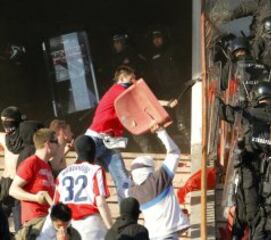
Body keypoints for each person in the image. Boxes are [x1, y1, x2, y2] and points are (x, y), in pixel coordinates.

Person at [217, 81, 271, 238]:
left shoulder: (248, 113)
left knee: (246, 213)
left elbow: (223, 112)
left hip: (248, 170)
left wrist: (217, 95)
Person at [126, 127, 190, 240]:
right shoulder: (160, 178)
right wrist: (161, 132)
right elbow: (174, 152)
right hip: (168, 235)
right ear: (150, 169)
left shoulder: (131, 193)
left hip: (151, 236)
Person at [48, 135, 113, 240]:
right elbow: (100, 202)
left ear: (76, 152)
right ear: (93, 151)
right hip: (90, 224)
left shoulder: (62, 173)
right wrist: (111, 228)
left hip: (68, 226)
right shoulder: (96, 170)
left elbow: (55, 206)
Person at [85, 65, 133, 200]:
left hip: (109, 140)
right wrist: (162, 104)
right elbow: (138, 101)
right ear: (122, 78)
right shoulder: (119, 90)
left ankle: (125, 212)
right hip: (95, 138)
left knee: (122, 178)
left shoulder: (121, 91)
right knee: (85, 175)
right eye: (132, 77)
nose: (134, 80)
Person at [9, 128, 57, 239]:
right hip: (36, 222)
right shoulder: (31, 163)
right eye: (56, 142)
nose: (59, 145)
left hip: (47, 220)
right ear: (48, 144)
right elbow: (12, 190)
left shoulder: (46, 165)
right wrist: (35, 198)